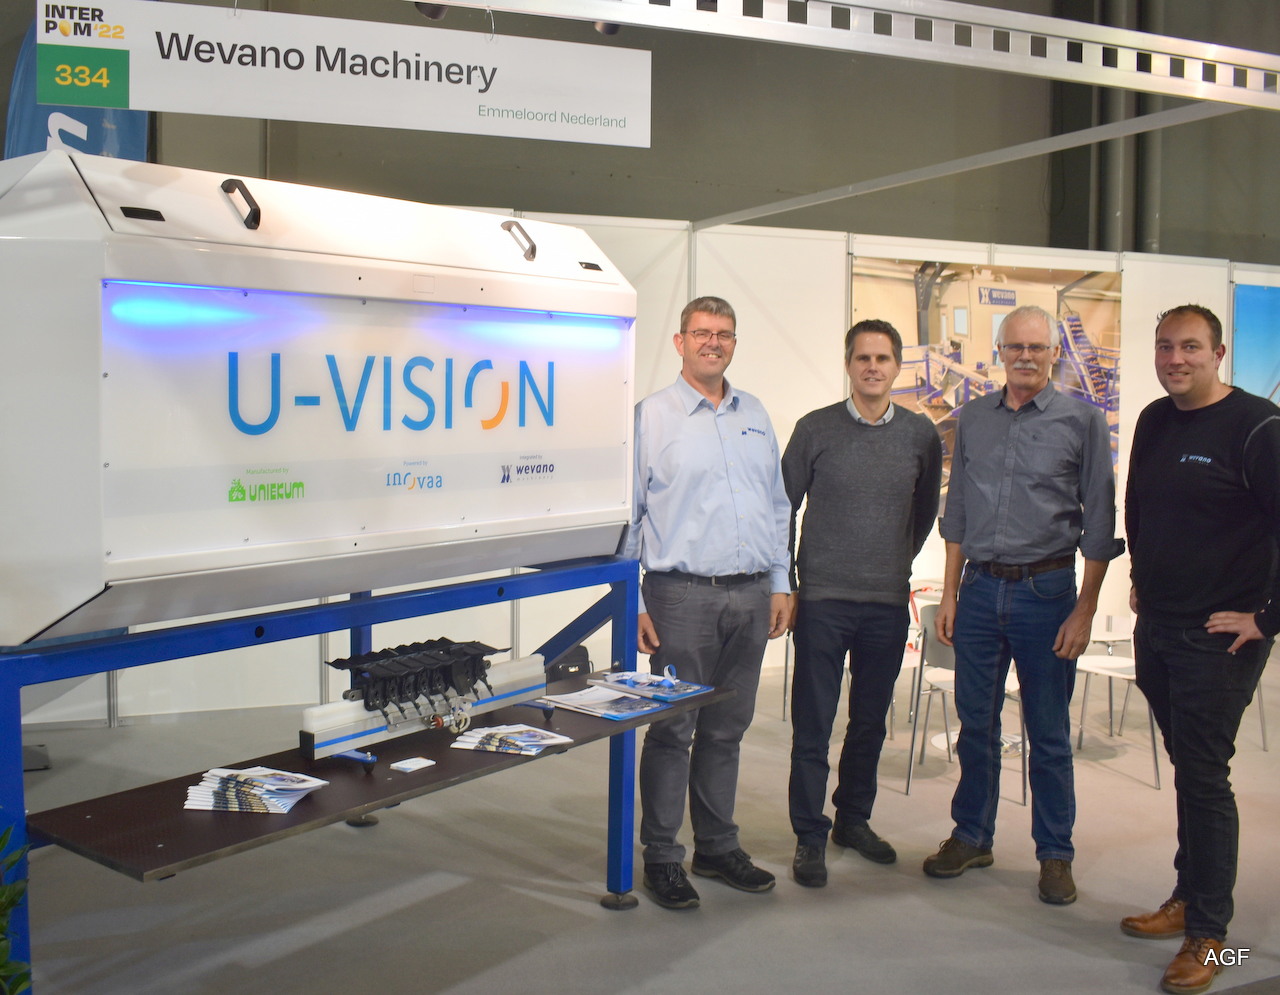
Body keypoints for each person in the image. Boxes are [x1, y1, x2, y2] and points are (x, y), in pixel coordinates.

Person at [926, 303, 1123, 905]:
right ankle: (972, 835)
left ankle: (1055, 853)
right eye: (1016, 347)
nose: (1027, 357)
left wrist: (1085, 610)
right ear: (1001, 353)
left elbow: (1100, 521)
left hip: (1048, 595)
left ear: (1055, 355)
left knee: (1049, 732)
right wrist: (950, 593)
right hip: (980, 591)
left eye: (1038, 348)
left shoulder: (1083, 422)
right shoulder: (974, 418)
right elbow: (958, 510)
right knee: (975, 726)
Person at [1123, 304, 1279, 995]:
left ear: (1218, 354)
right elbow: (1139, 504)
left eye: (1190, 347)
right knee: (1189, 767)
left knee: (1206, 776)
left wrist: (1268, 618)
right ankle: (1188, 897)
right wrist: (1141, 577)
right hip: (1158, 626)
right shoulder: (1155, 420)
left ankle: (1211, 937)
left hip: (1218, 637)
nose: (1175, 359)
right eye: (1165, 346)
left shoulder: (1258, 427)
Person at [622, 295, 792, 910]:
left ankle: (717, 848)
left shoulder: (755, 414)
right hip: (679, 598)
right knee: (673, 729)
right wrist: (632, 601)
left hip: (750, 595)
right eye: (701, 332)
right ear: (680, 342)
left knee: (726, 730)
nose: (712, 342)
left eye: (723, 333)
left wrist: (781, 581)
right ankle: (662, 858)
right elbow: (629, 516)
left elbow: (776, 504)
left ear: (734, 343)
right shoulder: (650, 418)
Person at [782, 319, 941, 887]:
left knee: (870, 722)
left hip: (885, 602)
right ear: (849, 365)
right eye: (862, 358)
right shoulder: (814, 429)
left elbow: (924, 513)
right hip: (822, 600)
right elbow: (782, 508)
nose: (873, 367)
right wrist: (787, 582)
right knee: (814, 725)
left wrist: (893, 560)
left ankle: (852, 820)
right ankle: (809, 835)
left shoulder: (921, 435)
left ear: (897, 366)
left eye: (882, 358)